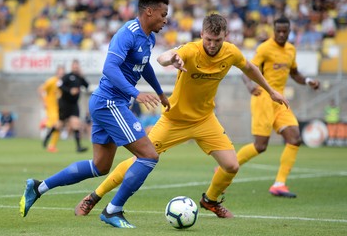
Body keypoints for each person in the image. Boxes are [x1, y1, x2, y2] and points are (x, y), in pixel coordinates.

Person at [73, 13, 289, 219]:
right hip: (174, 120)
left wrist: (271, 91)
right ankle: (94, 197)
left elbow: (249, 68)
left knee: (232, 165)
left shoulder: (231, 52)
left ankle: (210, 200)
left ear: (226, 37)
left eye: (218, 40)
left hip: (205, 120)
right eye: (209, 39)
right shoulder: (190, 50)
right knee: (140, 158)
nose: (212, 45)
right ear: (202, 34)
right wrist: (172, 58)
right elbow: (163, 58)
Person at [19, 0, 171, 228]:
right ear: (149, 11)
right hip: (110, 102)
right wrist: (135, 93)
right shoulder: (127, 33)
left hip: (107, 103)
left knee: (100, 166)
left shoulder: (149, 38)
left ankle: (39, 187)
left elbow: (145, 66)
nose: (166, 19)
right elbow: (109, 68)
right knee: (149, 156)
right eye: (163, 14)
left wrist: (161, 93)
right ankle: (113, 210)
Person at [236, 16, 320, 198]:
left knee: (295, 139)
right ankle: (225, 167)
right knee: (260, 146)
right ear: (274, 31)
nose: (281, 34)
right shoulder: (264, 48)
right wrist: (250, 86)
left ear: (289, 32)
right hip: (263, 99)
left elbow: (295, 74)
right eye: (278, 31)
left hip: (280, 100)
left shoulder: (291, 50)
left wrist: (307, 80)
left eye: (285, 31)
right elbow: (247, 69)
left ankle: (279, 184)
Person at [42, 59, 89, 153]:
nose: (76, 68)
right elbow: (60, 86)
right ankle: (47, 137)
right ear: (72, 67)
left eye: (77, 66)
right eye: (74, 66)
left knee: (76, 124)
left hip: (74, 105)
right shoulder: (67, 76)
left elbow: (87, 86)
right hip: (65, 104)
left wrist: (83, 76)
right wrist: (70, 91)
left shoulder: (80, 77)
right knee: (59, 124)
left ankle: (79, 147)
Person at [38, 65, 65, 152]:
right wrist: (44, 101)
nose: (61, 74)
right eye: (60, 72)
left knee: (58, 126)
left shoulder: (63, 82)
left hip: (59, 107)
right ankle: (46, 123)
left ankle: (52, 145)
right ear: (57, 73)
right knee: (56, 123)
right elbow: (41, 89)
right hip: (51, 107)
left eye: (62, 73)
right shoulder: (52, 81)